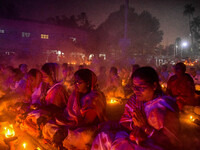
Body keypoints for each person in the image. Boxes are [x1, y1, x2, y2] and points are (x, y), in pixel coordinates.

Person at [92, 67, 181, 150]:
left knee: (124, 144)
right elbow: (124, 122)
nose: (136, 91)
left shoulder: (165, 105)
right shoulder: (134, 100)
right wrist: (134, 127)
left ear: (154, 86)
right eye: (134, 87)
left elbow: (171, 143)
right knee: (103, 136)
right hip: (132, 137)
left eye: (141, 87)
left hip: (154, 145)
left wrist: (145, 127)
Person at [42, 69, 107, 149]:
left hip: (88, 128)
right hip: (73, 124)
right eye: (75, 82)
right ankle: (61, 141)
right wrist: (62, 122)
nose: (76, 85)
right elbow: (68, 113)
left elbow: (88, 122)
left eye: (79, 82)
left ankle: (64, 143)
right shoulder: (75, 94)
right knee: (48, 126)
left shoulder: (95, 97)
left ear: (88, 83)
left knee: (80, 136)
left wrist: (67, 130)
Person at [22, 63, 69, 137]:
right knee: (28, 118)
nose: (43, 78)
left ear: (53, 75)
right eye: (42, 75)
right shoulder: (46, 85)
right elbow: (44, 102)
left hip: (54, 117)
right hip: (45, 112)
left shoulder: (59, 89)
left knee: (36, 121)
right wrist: (37, 106)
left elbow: (56, 109)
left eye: (45, 76)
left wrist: (40, 110)